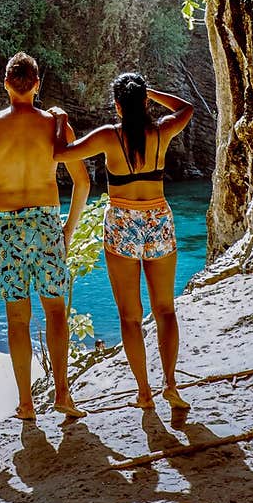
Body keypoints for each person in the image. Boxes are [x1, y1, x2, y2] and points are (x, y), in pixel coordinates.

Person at [51, 73, 194, 416]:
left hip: (122, 224)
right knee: (166, 309)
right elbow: (186, 108)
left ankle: (144, 393)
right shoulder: (161, 131)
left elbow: (60, 154)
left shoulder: (107, 136)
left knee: (130, 317)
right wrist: (149, 94)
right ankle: (170, 384)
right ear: (145, 102)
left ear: (116, 106)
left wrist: (60, 121)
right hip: (158, 220)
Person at [0, 51, 91, 422]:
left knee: (17, 319)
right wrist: (67, 229)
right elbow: (82, 183)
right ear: (37, 85)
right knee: (56, 311)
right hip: (46, 224)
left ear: (6, 84)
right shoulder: (56, 127)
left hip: (4, 226)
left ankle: (25, 404)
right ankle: (63, 395)